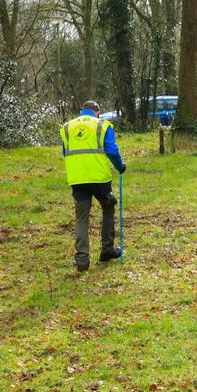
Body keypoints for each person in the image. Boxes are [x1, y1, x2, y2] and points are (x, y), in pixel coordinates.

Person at [60, 101, 127, 271]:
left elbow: (65, 151)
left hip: (77, 178)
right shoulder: (102, 125)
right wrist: (120, 167)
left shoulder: (67, 127)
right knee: (108, 207)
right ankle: (107, 249)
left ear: (81, 111)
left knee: (82, 217)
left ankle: (82, 259)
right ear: (97, 112)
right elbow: (111, 150)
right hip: (99, 177)